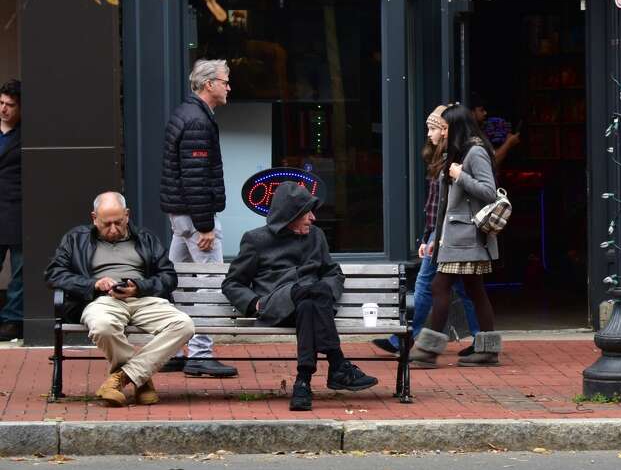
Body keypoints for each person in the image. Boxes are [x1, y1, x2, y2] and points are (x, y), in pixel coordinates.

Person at [222, 181, 378, 412]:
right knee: (310, 291)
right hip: (276, 305)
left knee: (309, 300)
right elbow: (232, 282)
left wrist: (326, 291)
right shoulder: (256, 240)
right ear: (289, 215)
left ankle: (303, 382)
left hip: (311, 308)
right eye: (307, 213)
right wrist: (254, 303)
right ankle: (337, 364)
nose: (313, 218)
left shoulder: (316, 236)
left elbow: (333, 273)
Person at [44, 192, 195, 407]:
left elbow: (168, 277)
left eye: (119, 222)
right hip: (102, 301)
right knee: (103, 326)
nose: (113, 229)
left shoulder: (146, 238)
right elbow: (54, 274)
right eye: (107, 224)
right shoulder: (75, 238)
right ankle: (142, 380)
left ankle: (121, 378)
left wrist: (139, 287)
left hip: (143, 299)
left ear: (127, 215)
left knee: (184, 325)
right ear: (94, 217)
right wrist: (93, 284)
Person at [373, 105, 479, 358]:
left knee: (426, 283)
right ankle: (480, 339)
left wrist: (434, 235)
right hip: (440, 232)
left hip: (448, 233)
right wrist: (427, 234)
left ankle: (407, 339)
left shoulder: (459, 158)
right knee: (466, 288)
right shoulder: (440, 157)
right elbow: (435, 204)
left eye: (433, 128)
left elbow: (454, 201)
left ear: (445, 130)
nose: (429, 133)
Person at [159, 59, 238, 378]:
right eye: (225, 81)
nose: (228, 86)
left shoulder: (185, 113)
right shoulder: (197, 121)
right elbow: (194, 177)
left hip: (181, 215)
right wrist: (205, 224)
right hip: (195, 218)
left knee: (174, 283)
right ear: (209, 84)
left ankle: (171, 350)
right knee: (209, 283)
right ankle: (200, 354)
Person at [409, 103, 503, 368]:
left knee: (440, 287)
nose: (443, 131)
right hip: (455, 236)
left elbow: (489, 192)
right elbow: (445, 204)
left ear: (457, 126)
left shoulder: (475, 152)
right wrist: (434, 237)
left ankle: (427, 351)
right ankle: (487, 351)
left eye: (446, 126)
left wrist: (461, 176)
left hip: (467, 237)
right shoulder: (461, 150)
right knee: (474, 290)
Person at [0, 80, 22, 342]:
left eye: (10, 105)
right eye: (1, 103)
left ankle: (13, 320)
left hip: (16, 209)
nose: (4, 109)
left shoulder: (26, 135)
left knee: (19, 269)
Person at [468, 93, 520, 168]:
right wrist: (508, 143)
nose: (485, 113)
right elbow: (491, 163)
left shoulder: (481, 132)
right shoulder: (471, 136)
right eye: (481, 110)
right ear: (472, 113)